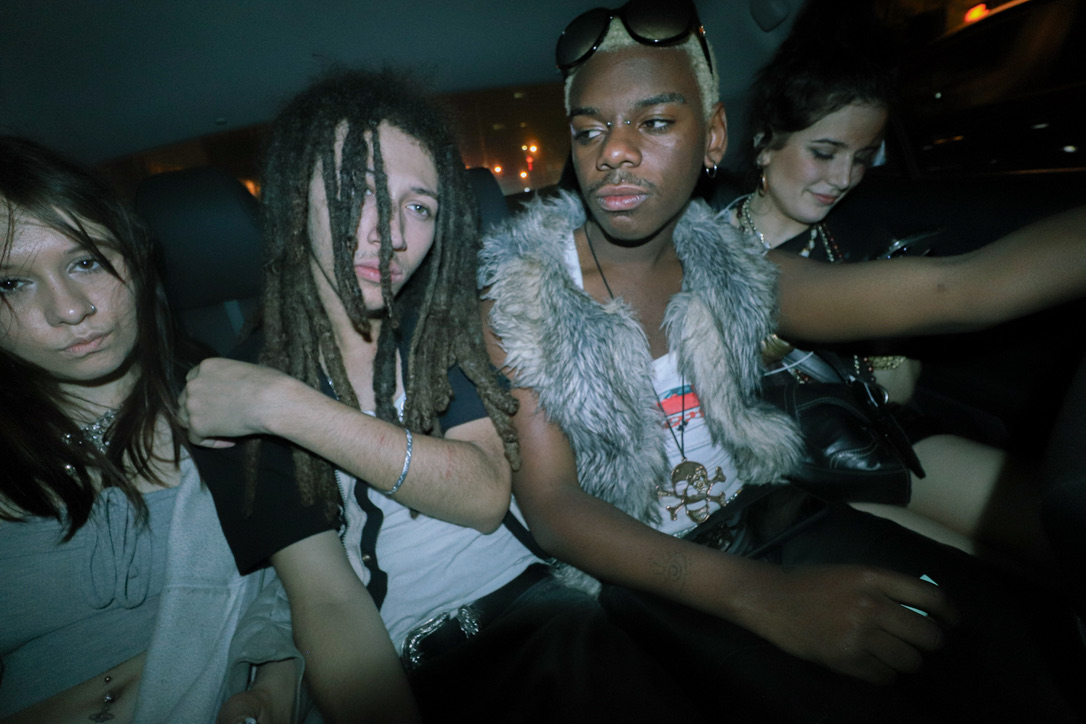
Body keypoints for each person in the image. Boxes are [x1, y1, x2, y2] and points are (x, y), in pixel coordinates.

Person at [479, 1, 1086, 721]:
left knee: (1022, 658)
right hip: (640, 573)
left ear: (715, 138)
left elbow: (963, 290)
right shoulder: (524, 296)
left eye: (656, 122)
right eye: (590, 130)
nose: (613, 150)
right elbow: (556, 510)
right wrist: (756, 594)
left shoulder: (736, 267)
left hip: (777, 516)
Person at [180, 69, 704, 724]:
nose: (392, 233)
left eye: (419, 206)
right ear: (295, 199)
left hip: (563, 614)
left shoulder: (440, 326)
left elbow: (483, 493)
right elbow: (327, 599)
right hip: (425, 658)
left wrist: (285, 407)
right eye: (357, 192)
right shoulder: (238, 383)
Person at [731, 1, 1054, 567]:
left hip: (877, 440)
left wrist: (877, 337)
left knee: (1055, 518)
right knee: (985, 584)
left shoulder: (849, 236)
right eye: (824, 153)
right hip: (796, 473)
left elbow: (897, 395)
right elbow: (961, 290)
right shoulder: (711, 247)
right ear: (765, 141)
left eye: (861, 158)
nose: (843, 179)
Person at [0, 136, 305, 723]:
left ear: (136, 258)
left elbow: (316, 589)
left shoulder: (239, 406)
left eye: (86, 261)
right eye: (11, 283)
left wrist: (274, 682)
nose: (69, 309)